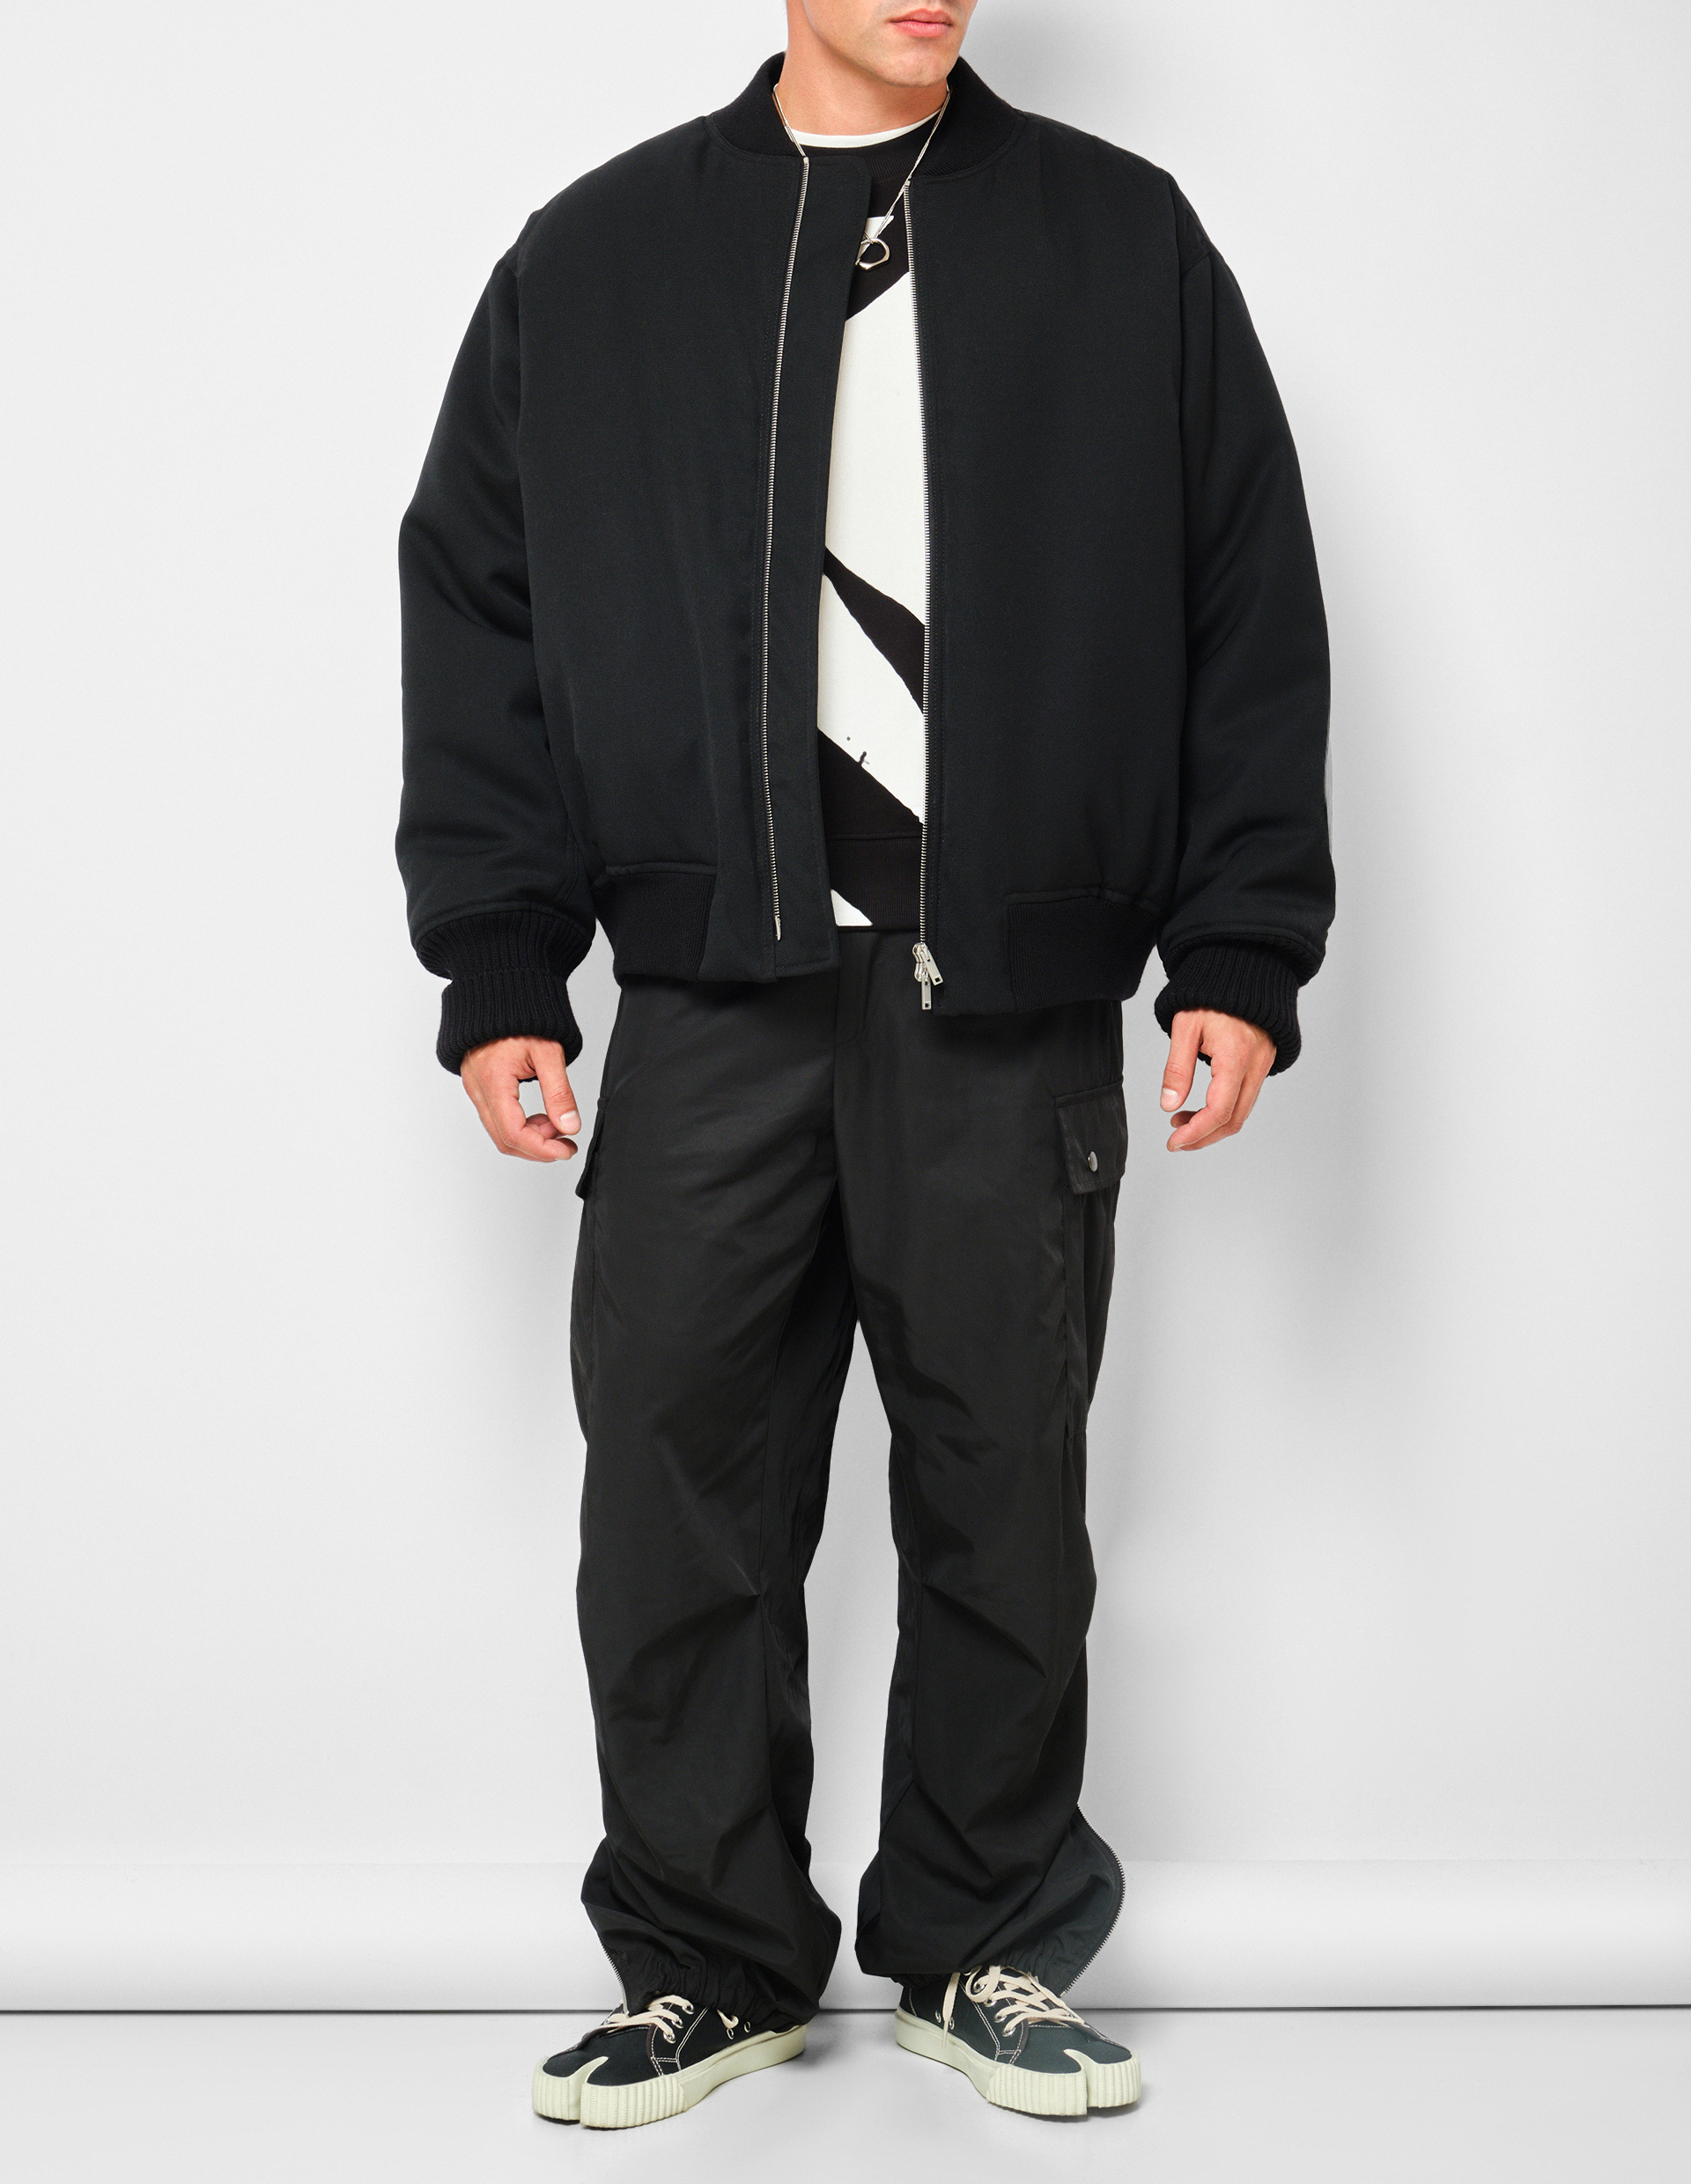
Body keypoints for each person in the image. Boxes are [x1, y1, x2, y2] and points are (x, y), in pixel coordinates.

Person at [396, 0, 1332, 2133]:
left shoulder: (1122, 242)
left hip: (1004, 999)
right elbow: (477, 603)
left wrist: (1239, 944)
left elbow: (1246, 596)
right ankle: (707, 1962)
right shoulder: (600, 256)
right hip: (707, 991)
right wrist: (503, 962)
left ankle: (984, 1944)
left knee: (1005, 1496)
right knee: (676, 1501)